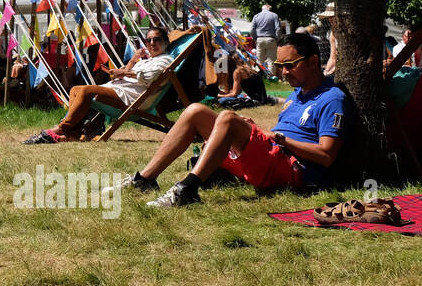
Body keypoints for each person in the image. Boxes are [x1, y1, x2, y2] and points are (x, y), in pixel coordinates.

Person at [119, 33, 348, 206]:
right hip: (273, 154)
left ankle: (187, 189)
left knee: (227, 118)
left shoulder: (332, 98)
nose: (284, 73)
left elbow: (326, 156)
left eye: (290, 65)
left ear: (313, 61)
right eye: (280, 66)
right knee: (195, 111)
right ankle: (145, 178)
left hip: (294, 169)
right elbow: (281, 136)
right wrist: (258, 131)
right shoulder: (298, 92)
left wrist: (279, 138)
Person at [23, 27, 174, 144]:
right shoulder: (147, 60)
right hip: (120, 89)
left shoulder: (165, 61)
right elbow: (127, 72)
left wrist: (124, 74)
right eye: (149, 41)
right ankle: (73, 133)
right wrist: (132, 61)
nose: (152, 43)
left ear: (166, 42)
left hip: (131, 98)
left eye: (157, 40)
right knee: (76, 89)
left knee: (86, 91)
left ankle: (62, 128)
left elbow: (148, 78)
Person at [251, 4, 281, 74]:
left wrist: (255, 38)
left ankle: (260, 75)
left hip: (259, 39)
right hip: (271, 39)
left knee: (259, 60)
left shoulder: (256, 16)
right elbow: (278, 29)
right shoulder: (274, 15)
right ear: (268, 8)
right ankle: (271, 76)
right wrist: (277, 39)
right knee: (271, 60)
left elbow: (252, 30)